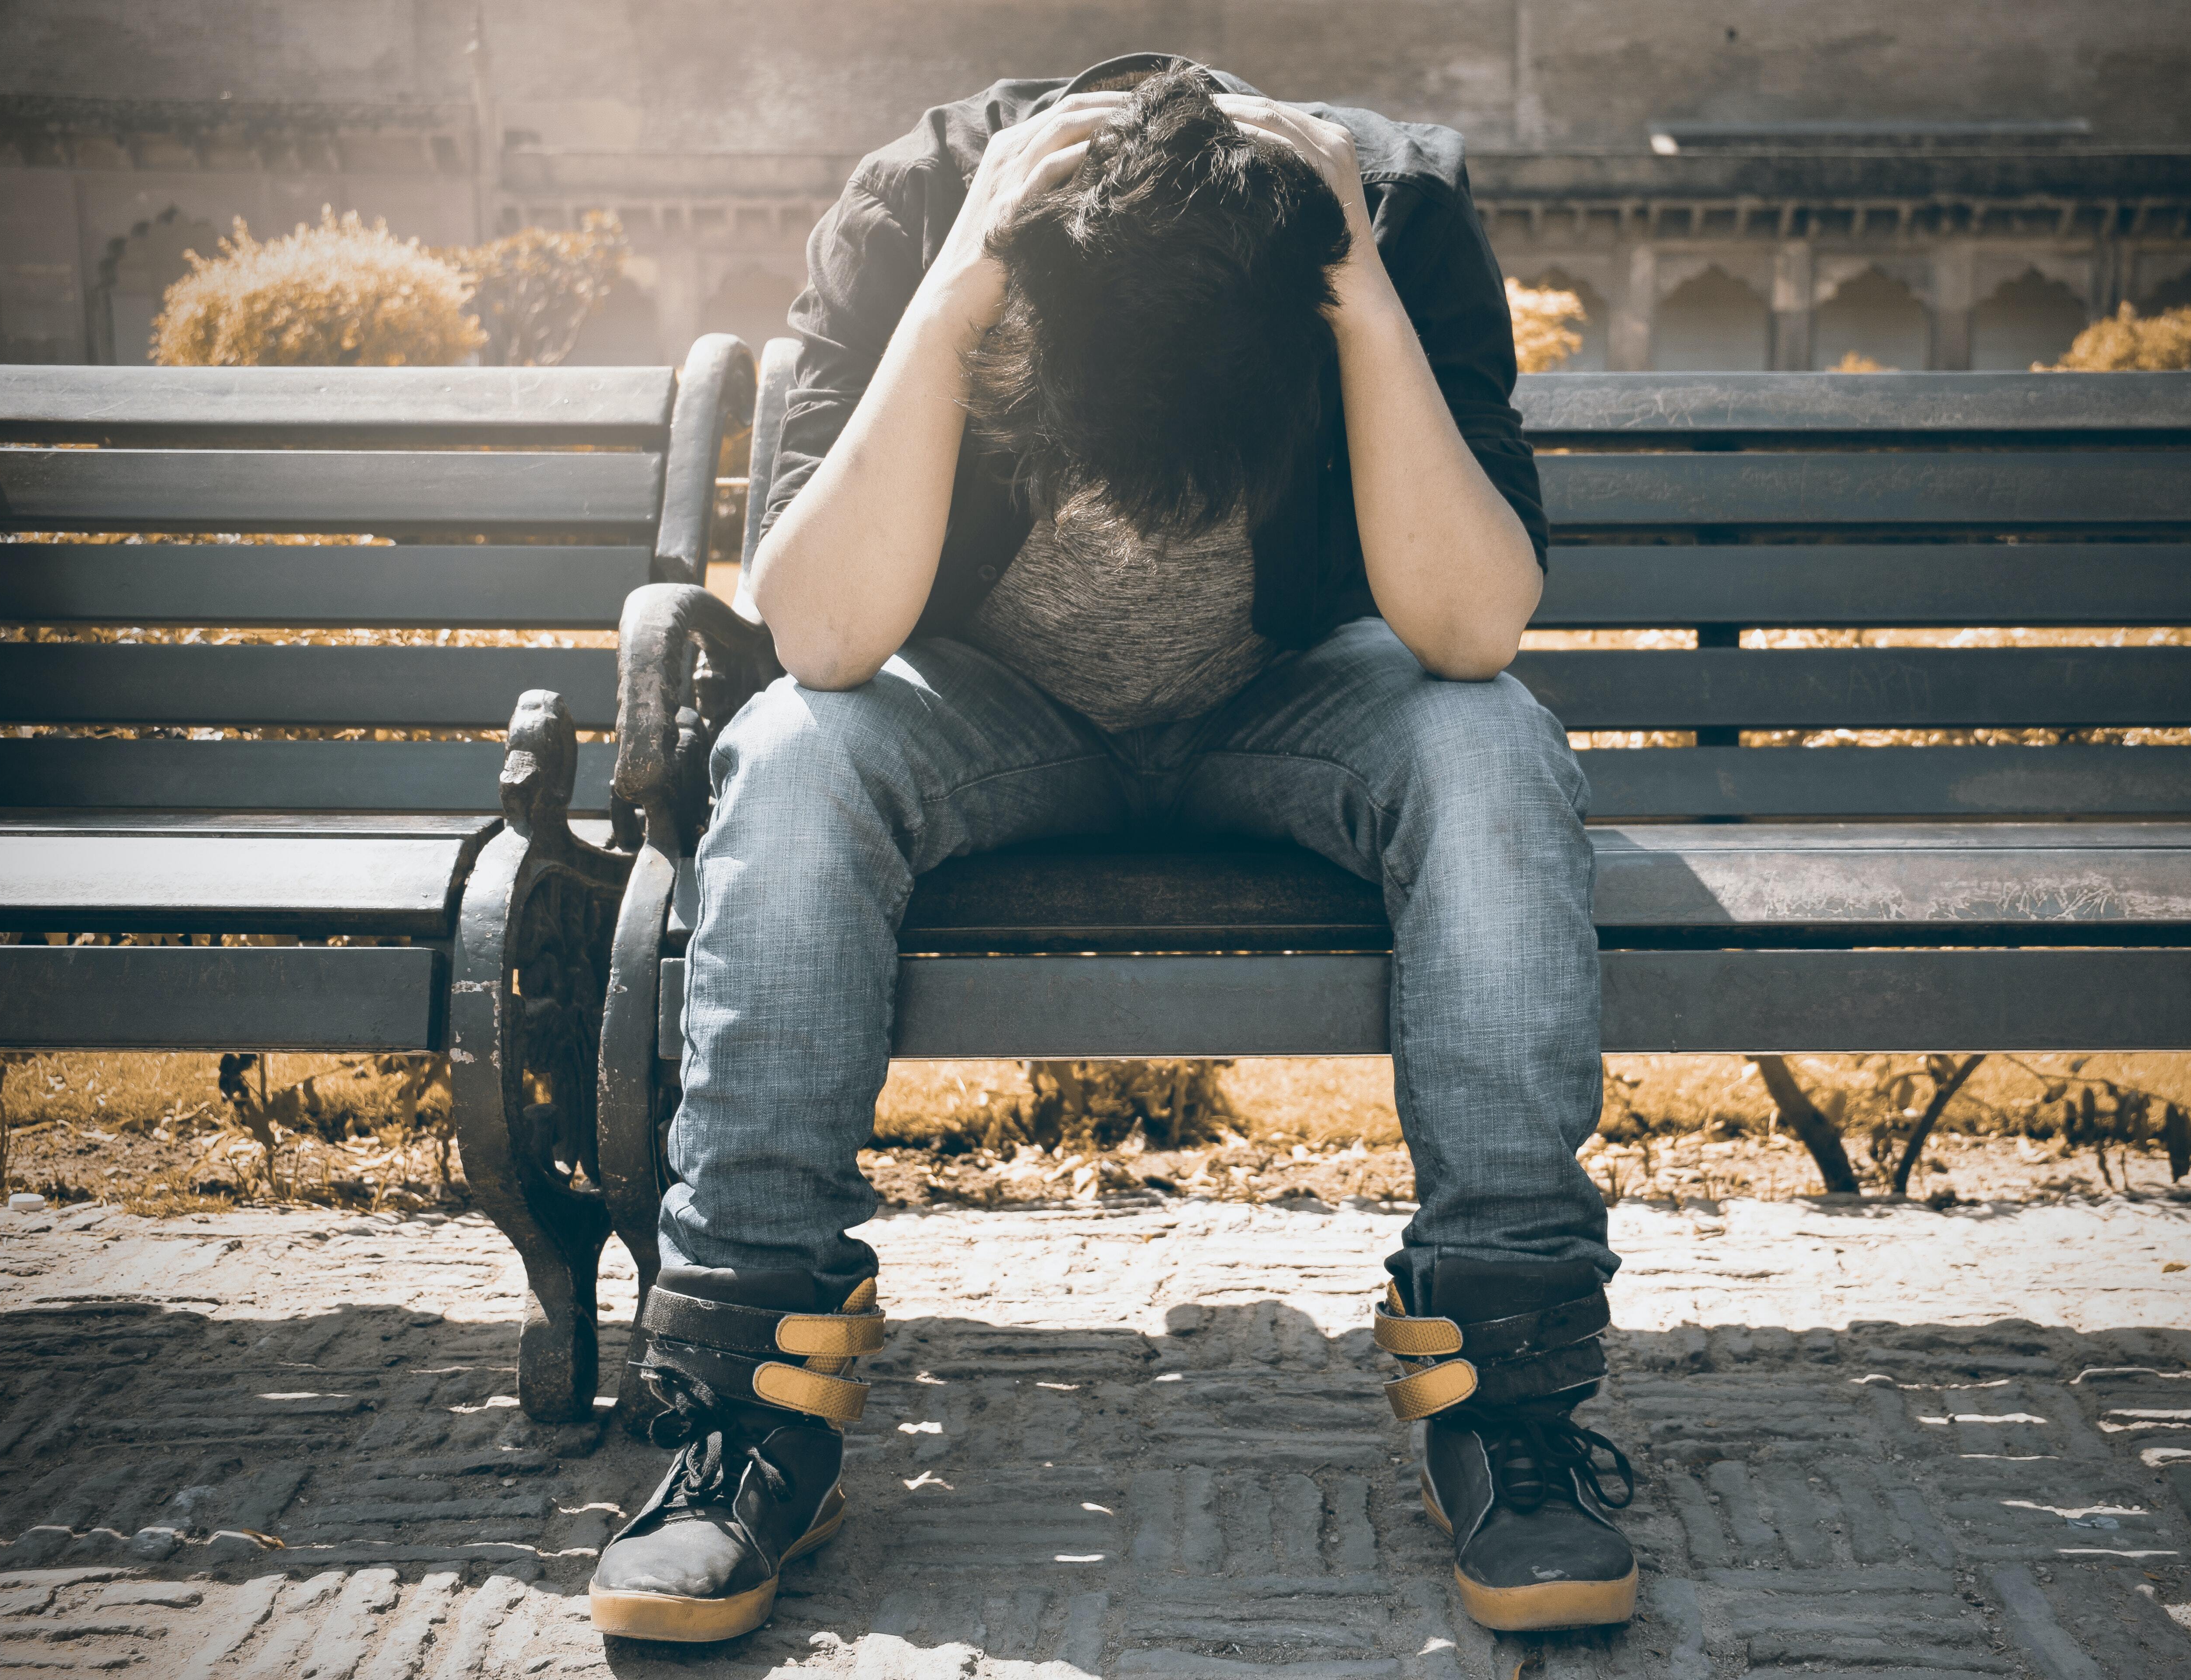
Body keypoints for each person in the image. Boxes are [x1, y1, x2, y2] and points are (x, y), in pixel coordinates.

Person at [587, 52, 1632, 1645]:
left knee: (1489, 748)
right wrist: (953, 300)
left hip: (1292, 698)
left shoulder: (1393, 217)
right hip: (991, 709)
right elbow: (821, 631)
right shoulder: (917, 209)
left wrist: (1354, 298)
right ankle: (744, 1414)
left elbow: (1472, 626)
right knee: (793, 755)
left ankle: (1512, 1395)